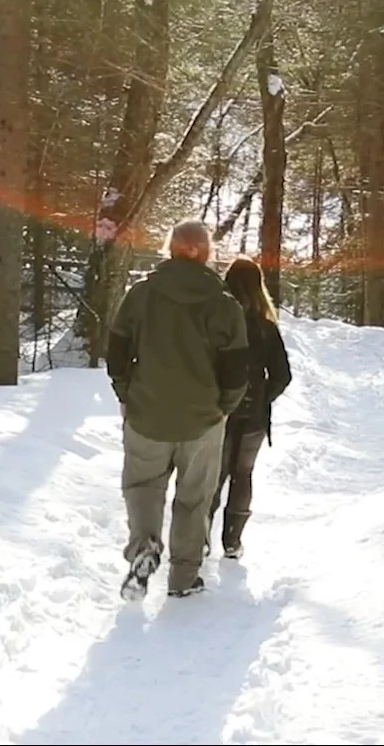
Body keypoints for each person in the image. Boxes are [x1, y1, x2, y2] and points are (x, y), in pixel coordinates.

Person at [106, 220, 248, 600]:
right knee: (194, 497)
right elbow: (237, 368)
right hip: (203, 419)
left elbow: (117, 351)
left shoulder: (141, 295)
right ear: (207, 253)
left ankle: (144, 550)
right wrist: (224, 408)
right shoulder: (224, 304)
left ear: (169, 249)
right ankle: (184, 577)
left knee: (142, 486)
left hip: (146, 413)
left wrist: (126, 392)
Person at [207, 255, 291, 559]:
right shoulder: (265, 326)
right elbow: (283, 375)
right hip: (254, 416)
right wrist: (261, 398)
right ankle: (232, 542)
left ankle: (201, 539)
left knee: (214, 475)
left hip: (218, 412)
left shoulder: (216, 322)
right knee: (243, 474)